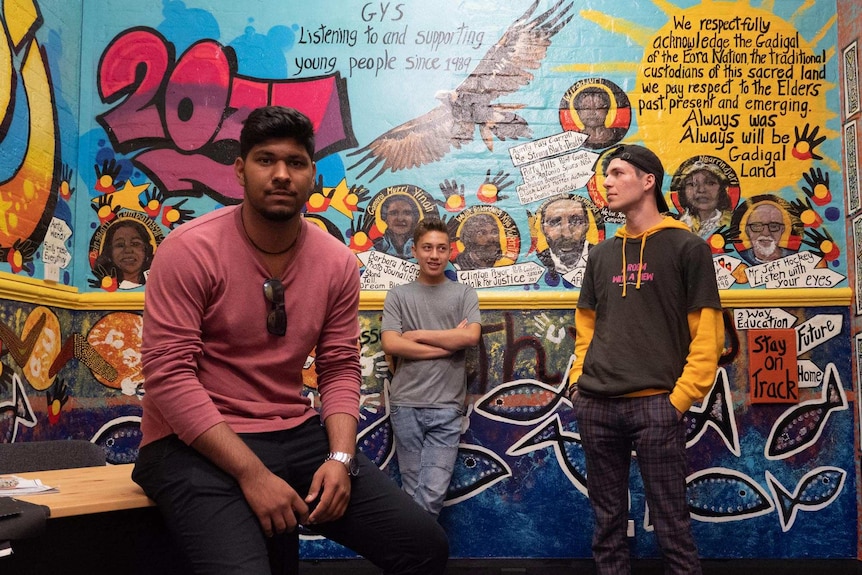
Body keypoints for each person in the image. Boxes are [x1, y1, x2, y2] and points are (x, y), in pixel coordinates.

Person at [132, 106, 448, 575]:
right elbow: (168, 376)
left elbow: (339, 365)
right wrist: (253, 475)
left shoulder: (336, 262)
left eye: (296, 163)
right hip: (190, 441)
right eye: (266, 160)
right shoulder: (190, 249)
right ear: (240, 170)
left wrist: (340, 457)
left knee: (423, 546)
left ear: (312, 174)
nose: (282, 174)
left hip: (293, 433)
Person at [568, 144, 724, 575]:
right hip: (596, 404)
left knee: (672, 523)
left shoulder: (687, 248)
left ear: (648, 180)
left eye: (618, 173)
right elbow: (586, 327)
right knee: (606, 523)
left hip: (657, 404)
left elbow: (707, 333)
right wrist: (579, 383)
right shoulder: (600, 254)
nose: (608, 182)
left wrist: (679, 400)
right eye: (606, 175)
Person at [380, 218, 481, 517]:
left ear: (450, 251)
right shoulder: (398, 295)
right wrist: (449, 343)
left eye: (441, 248)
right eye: (427, 248)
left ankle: (409, 557)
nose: (434, 255)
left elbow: (471, 336)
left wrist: (418, 336)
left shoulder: (464, 294)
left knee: (433, 492)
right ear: (414, 251)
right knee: (412, 489)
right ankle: (419, 560)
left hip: (447, 406)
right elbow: (391, 345)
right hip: (405, 405)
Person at [538, 195, 591, 281]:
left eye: (576, 221)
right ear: (543, 228)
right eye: (555, 222)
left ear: (587, 224)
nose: (567, 234)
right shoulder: (539, 261)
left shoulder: (601, 259)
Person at [675, 162, 732, 239]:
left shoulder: (732, 223)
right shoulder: (678, 224)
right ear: (683, 190)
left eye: (710, 183)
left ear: (722, 189)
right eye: (692, 184)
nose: (701, 190)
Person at [93, 219, 154, 288]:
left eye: (135, 244)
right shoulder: (101, 286)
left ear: (147, 250)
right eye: (120, 245)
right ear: (109, 252)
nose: (128, 250)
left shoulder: (157, 282)